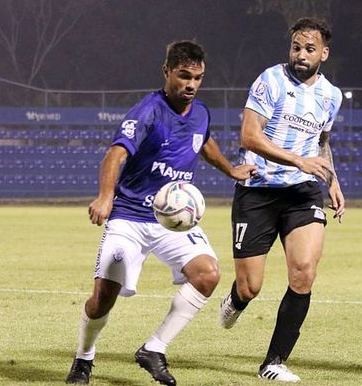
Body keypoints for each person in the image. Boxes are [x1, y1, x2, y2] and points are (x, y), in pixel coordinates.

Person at [65, 40, 256, 385]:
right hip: (130, 216)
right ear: (167, 71)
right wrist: (106, 196)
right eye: (184, 76)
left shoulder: (200, 112)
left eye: (198, 78)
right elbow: (115, 155)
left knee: (208, 274)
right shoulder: (147, 111)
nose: (191, 85)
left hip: (173, 221)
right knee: (102, 299)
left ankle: (154, 349)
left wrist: (230, 170)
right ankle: (84, 358)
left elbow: (205, 142)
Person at [218, 17, 345, 382]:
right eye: (296, 47)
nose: (301, 54)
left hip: (302, 192)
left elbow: (322, 142)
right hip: (257, 190)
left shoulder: (331, 95)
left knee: (304, 272)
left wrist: (332, 179)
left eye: (309, 49)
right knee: (250, 285)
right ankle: (237, 299)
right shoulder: (269, 80)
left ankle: (274, 361)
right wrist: (297, 159)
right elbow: (249, 136)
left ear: (324, 53)